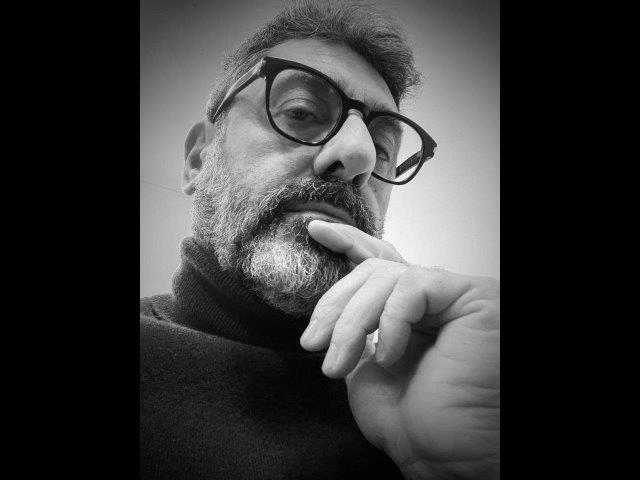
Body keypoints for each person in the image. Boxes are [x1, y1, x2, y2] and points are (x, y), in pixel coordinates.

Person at [140, 1, 500, 479]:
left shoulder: (435, 392)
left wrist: (466, 465)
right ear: (198, 160)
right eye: (301, 112)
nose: (358, 155)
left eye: (382, 150)